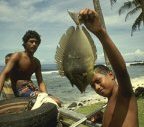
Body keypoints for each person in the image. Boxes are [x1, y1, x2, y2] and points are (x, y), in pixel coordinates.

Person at [79, 9, 138, 127]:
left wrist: (100, 32)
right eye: (92, 85)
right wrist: (104, 118)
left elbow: (121, 69)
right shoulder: (112, 100)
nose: (96, 87)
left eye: (98, 81)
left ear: (111, 75)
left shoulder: (123, 94)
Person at [0, 30, 61, 106]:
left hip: (31, 89)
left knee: (57, 101)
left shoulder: (36, 62)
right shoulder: (17, 56)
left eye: (36, 42)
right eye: (31, 41)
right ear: (25, 43)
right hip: (20, 90)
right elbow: (3, 74)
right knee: (55, 101)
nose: (34, 44)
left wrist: (45, 94)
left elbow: (40, 82)